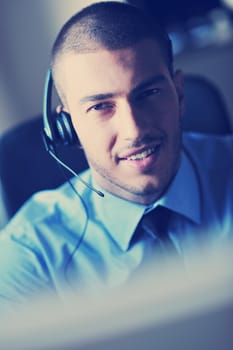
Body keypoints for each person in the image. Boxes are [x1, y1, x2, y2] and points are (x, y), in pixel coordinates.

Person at [0, 1, 232, 312]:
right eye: (100, 107)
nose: (134, 130)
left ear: (179, 93)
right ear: (68, 127)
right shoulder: (29, 255)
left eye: (148, 94)